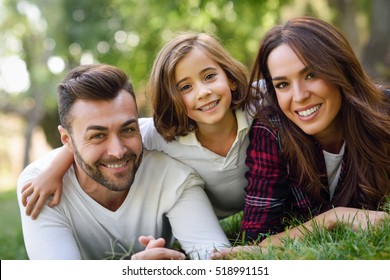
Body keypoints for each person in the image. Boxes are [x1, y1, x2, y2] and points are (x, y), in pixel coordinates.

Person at [21, 32, 254, 220]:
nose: (203, 93)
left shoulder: (259, 106)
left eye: (210, 76)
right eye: (185, 87)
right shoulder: (160, 135)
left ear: (231, 78)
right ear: (170, 98)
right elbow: (99, 137)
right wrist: (54, 171)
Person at [211, 16, 390, 259]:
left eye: (311, 74)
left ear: (340, 68)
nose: (299, 96)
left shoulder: (383, 112)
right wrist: (332, 217)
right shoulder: (272, 131)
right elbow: (256, 240)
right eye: (283, 84)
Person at [17, 64, 230, 260]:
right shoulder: (39, 187)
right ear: (67, 140)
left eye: (127, 130)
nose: (118, 151)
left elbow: (218, 262)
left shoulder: (173, 176)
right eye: (97, 136)